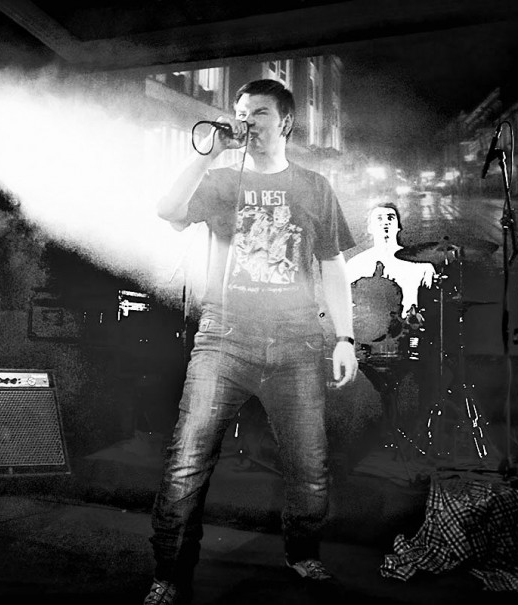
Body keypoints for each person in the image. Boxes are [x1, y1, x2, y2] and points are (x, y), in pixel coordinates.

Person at [143, 79, 358, 604]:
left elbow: (333, 264)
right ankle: (169, 576)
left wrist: (345, 337)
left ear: (284, 122)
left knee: (309, 468)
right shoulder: (220, 179)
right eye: (240, 111)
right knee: (186, 463)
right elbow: (167, 211)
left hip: (297, 342)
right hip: (225, 339)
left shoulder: (313, 186)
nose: (245, 121)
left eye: (258, 112)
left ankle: (303, 555)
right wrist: (205, 155)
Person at [345, 202, 436, 318]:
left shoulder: (422, 265)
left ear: (399, 226)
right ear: (370, 228)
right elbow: (346, 304)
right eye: (379, 218)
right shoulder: (355, 264)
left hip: (409, 325)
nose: (385, 222)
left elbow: (433, 306)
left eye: (390, 218)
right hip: (371, 326)